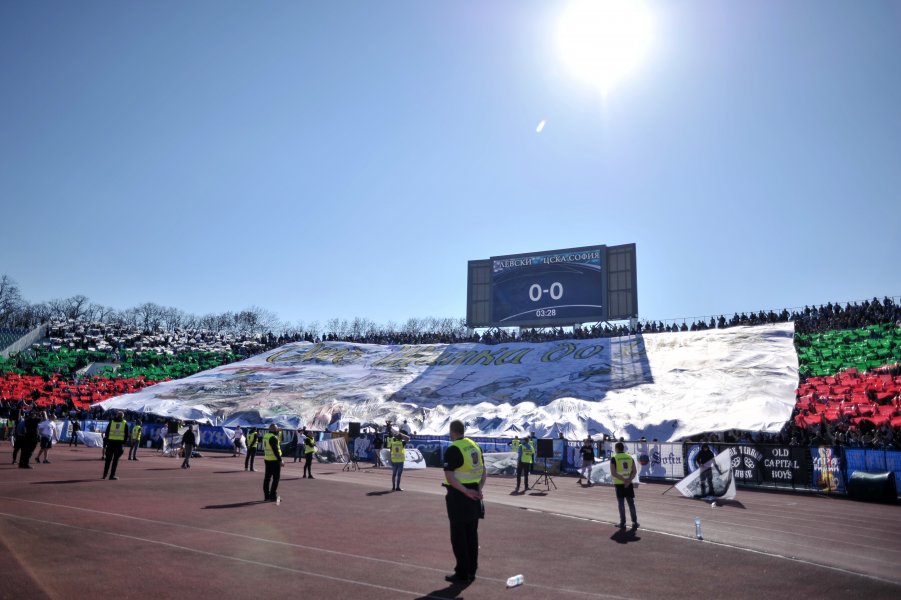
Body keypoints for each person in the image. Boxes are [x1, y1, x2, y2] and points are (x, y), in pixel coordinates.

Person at [442, 419, 485, 584]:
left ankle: (462, 572)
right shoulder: (475, 446)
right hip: (474, 496)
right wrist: (479, 488)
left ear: (452, 431)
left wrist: (466, 491)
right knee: (471, 536)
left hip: (460, 497)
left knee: (458, 537)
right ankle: (472, 570)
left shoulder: (454, 448)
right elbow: (483, 471)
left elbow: (450, 476)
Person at [611, 442, 639, 529]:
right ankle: (634, 522)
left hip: (619, 483)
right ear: (623, 448)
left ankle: (623, 522)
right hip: (629, 484)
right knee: (631, 503)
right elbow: (634, 471)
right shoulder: (629, 457)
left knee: (621, 503)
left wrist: (624, 480)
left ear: (616, 448)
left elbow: (613, 473)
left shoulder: (614, 458)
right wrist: (628, 480)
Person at [102, 412, 129, 480]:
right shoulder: (124, 423)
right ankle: (112, 475)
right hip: (119, 444)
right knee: (115, 461)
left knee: (108, 460)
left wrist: (105, 443)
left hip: (110, 443)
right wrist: (124, 443)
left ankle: (104, 475)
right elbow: (126, 435)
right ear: (122, 416)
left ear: (116, 415)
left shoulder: (112, 422)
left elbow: (107, 433)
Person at [262, 424, 285, 502]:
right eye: (277, 429)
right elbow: (275, 450)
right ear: (275, 430)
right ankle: (273, 496)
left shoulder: (266, 436)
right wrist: (280, 460)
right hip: (274, 460)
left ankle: (266, 496)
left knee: (267, 479)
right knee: (276, 478)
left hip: (267, 459)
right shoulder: (273, 438)